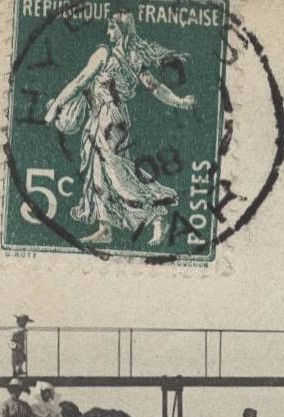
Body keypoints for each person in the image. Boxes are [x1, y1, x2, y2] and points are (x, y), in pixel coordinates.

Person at [42, 10, 195, 246]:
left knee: (116, 176)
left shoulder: (105, 54)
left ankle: (156, 214)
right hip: (112, 119)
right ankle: (106, 228)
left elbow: (81, 80)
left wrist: (56, 107)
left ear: (122, 29)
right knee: (101, 174)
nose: (108, 32)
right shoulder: (133, 56)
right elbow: (155, 87)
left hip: (108, 119)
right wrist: (179, 101)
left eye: (112, 27)